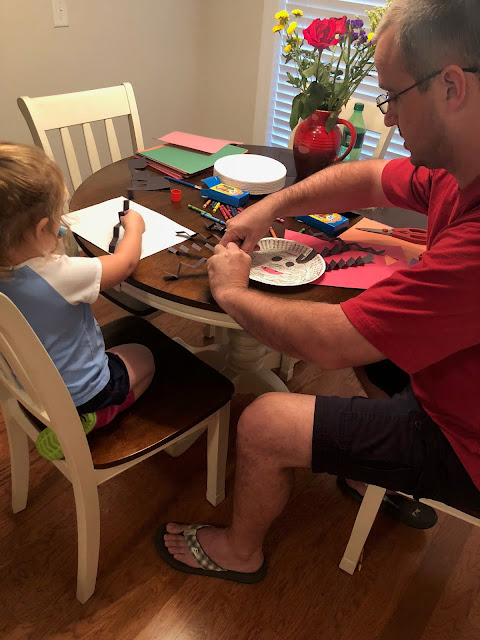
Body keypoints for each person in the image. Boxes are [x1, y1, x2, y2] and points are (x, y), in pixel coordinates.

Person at [156, 0, 480, 584]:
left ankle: (239, 552)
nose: (389, 120)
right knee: (376, 343)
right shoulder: (461, 164)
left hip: (464, 438)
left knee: (263, 423)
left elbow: (333, 342)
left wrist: (232, 292)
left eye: (393, 96)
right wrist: (271, 206)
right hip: (454, 375)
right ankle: (368, 468)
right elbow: (368, 177)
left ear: (451, 86)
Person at [0, 142, 155, 460]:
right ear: (42, 228)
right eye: (56, 220)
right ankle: (96, 417)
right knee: (144, 356)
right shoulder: (60, 274)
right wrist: (135, 229)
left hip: (30, 387)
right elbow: (124, 264)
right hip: (85, 393)